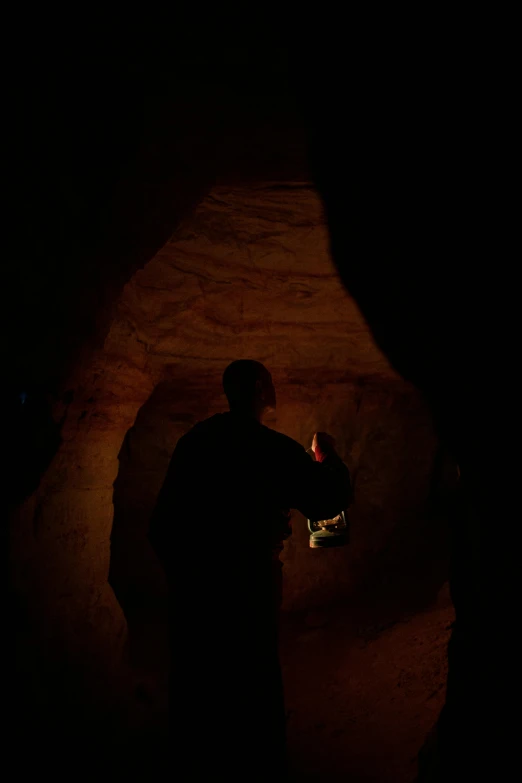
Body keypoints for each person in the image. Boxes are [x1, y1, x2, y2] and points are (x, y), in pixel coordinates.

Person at [149, 360, 351, 780]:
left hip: (196, 586)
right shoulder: (271, 449)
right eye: (270, 382)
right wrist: (328, 457)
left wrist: (185, 575)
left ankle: (194, 759)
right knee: (252, 673)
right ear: (260, 388)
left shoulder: (195, 443)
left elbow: (162, 524)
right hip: (248, 582)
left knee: (196, 678)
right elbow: (327, 500)